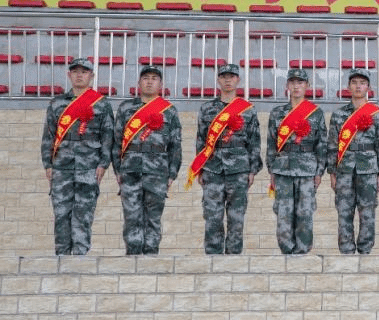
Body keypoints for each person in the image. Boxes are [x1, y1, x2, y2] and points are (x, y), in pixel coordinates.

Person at [40, 57, 114, 255]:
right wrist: (48, 165)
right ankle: (62, 259)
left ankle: (80, 260)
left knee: (83, 216)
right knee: (61, 215)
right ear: (69, 75)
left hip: (89, 168)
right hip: (61, 167)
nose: (79, 75)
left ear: (91, 76)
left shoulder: (101, 104)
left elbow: (108, 136)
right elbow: (48, 136)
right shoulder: (57, 104)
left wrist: (103, 164)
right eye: (75, 71)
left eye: (84, 72)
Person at [186, 63, 262, 254]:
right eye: (224, 76)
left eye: (232, 76)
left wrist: (252, 170)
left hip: (239, 169)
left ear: (238, 80)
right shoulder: (207, 109)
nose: (228, 80)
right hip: (212, 169)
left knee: (236, 218)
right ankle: (213, 258)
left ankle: (233, 259)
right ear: (218, 80)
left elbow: (254, 141)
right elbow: (201, 140)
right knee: (212, 217)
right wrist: (200, 169)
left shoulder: (248, 110)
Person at [112, 65, 182, 255]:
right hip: (130, 171)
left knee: (153, 219)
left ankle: (151, 258)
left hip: (158, 172)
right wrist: (118, 170)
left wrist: (172, 174)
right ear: (139, 83)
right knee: (131, 217)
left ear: (161, 84)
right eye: (145, 78)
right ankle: (133, 256)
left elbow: (175, 146)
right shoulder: (126, 108)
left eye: (154, 78)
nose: (149, 82)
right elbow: (116, 142)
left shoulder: (169, 111)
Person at [328, 68, 379, 254]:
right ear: (348, 87)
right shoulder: (339, 115)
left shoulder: (377, 114)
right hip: (344, 169)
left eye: (362, 83)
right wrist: (332, 172)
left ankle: (365, 252)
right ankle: (346, 252)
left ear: (368, 87)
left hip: (369, 168)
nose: (358, 86)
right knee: (344, 212)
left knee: (367, 213)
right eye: (354, 82)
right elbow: (332, 145)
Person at [265, 69, 327, 254]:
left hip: (307, 170)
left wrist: (319, 172)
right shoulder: (277, 113)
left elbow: (321, 145)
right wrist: (272, 170)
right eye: (292, 82)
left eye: (300, 82)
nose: (296, 86)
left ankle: (302, 254)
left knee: (305, 213)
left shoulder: (315, 113)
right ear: (287, 85)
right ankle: (286, 252)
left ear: (307, 85)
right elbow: (271, 144)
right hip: (283, 170)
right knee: (283, 214)